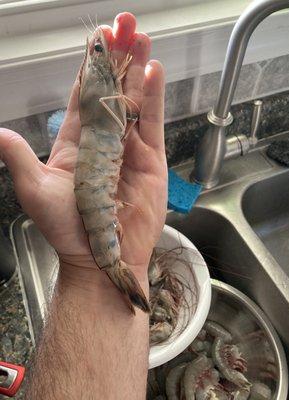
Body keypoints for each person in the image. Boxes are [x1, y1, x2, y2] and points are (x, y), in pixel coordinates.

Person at [0, 12, 167, 399]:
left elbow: (113, 107)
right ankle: (116, 274)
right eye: (96, 51)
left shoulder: (108, 98)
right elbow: (115, 107)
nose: (99, 51)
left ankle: (115, 273)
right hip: (98, 198)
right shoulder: (109, 99)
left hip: (101, 187)